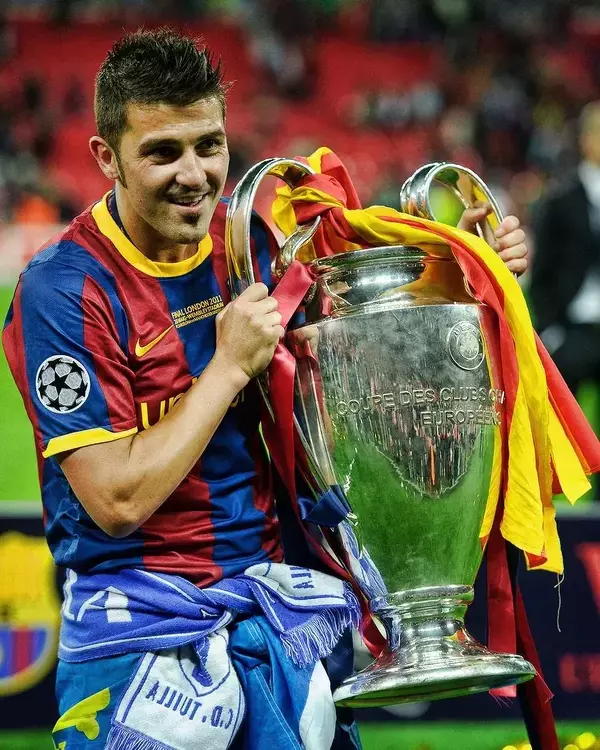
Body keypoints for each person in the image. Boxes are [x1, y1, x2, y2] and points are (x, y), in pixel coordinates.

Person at [2, 29, 528, 750]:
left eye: (208, 145)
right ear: (105, 157)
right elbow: (115, 502)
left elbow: (353, 372)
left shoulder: (243, 243)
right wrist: (227, 367)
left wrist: (461, 280)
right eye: (162, 152)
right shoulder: (64, 289)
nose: (193, 174)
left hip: (275, 610)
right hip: (140, 629)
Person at [530, 101, 600, 500]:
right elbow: (543, 271)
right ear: (586, 140)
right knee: (558, 424)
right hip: (573, 328)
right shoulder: (561, 200)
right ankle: (552, 498)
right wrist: (550, 326)